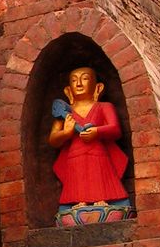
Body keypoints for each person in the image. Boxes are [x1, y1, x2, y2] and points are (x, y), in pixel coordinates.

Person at [48, 65, 130, 212]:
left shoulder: (104, 106)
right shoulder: (65, 112)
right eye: (74, 80)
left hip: (98, 153)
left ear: (98, 87)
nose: (79, 84)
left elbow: (115, 129)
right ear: (68, 90)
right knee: (78, 177)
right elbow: (53, 139)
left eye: (85, 79)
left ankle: (102, 200)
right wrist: (66, 133)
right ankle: (80, 202)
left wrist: (97, 131)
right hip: (75, 154)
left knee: (98, 175)